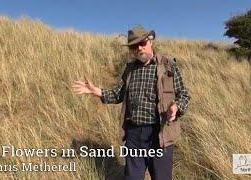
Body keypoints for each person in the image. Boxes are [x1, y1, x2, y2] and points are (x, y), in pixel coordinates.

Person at [72, 26, 190, 180]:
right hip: (134, 136)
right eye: (134, 46)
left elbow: (184, 95)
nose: (138, 48)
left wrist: (176, 107)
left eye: (141, 43)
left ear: (150, 41)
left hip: (160, 134)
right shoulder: (130, 70)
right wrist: (97, 91)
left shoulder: (168, 65)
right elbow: (118, 94)